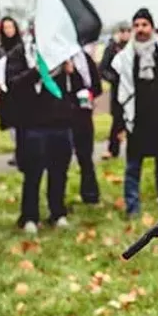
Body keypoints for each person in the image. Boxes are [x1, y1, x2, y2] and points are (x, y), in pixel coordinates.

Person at [7, 30, 87, 233]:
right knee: (33, 174)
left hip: (61, 123)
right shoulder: (20, 53)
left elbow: (81, 86)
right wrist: (36, 72)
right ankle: (29, 216)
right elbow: (12, 84)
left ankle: (58, 212)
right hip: (33, 125)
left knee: (59, 172)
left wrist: (72, 72)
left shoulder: (63, 53)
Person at [112, 8, 158, 215]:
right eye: (137, 26)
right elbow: (118, 87)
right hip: (138, 117)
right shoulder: (124, 57)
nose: (140, 29)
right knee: (133, 167)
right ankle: (132, 208)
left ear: (152, 27)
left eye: (144, 25)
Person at [0, 16, 26, 161]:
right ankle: (18, 150)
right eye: (5, 27)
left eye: (11, 27)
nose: (8, 30)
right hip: (5, 90)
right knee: (10, 122)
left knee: (21, 121)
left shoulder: (22, 46)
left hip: (20, 88)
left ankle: (21, 151)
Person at [71, 46, 102, 205]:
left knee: (85, 156)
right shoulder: (55, 59)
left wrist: (88, 93)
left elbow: (97, 86)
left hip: (83, 114)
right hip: (62, 115)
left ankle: (90, 194)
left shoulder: (84, 58)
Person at [99, 23, 131, 158]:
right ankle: (113, 149)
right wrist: (114, 79)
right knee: (117, 119)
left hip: (131, 90)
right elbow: (103, 69)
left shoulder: (132, 48)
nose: (125, 34)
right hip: (118, 89)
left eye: (127, 31)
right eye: (122, 31)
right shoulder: (112, 49)